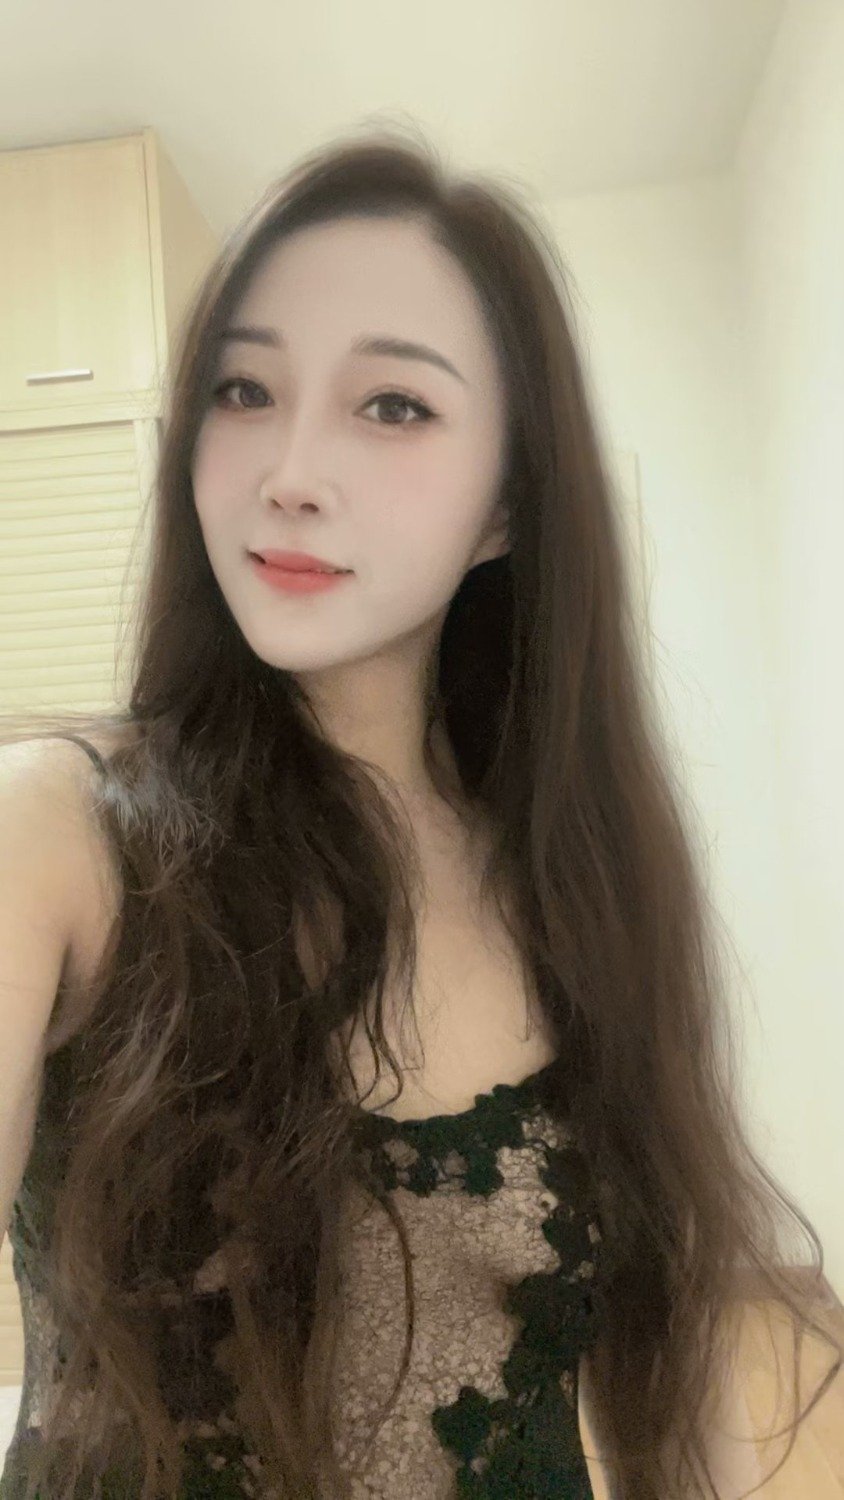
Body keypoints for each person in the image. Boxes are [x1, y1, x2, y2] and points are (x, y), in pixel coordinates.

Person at [0, 124, 840, 1500]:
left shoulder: (583, 882)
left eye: (392, 405)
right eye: (244, 389)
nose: (289, 471)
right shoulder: (57, 835)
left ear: (507, 502)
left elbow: (678, 1377)